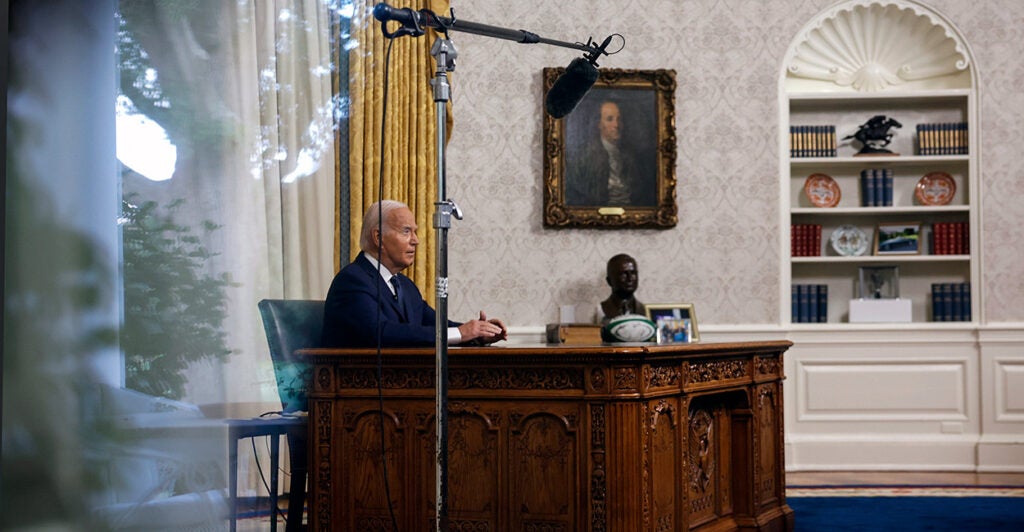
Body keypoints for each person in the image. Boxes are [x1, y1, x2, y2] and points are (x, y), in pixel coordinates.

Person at [321, 200, 508, 348]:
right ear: (378, 238)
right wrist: (461, 333)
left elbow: (434, 325)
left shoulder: (405, 285)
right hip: (357, 389)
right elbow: (380, 333)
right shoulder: (352, 281)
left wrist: (478, 333)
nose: (416, 241)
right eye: (406, 231)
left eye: (415, 232)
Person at [566, 99, 656, 207]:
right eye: (610, 119)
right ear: (599, 124)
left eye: (619, 119)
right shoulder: (585, 157)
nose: (616, 125)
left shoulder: (631, 156)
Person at [600, 253, 646, 324]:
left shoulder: (644, 309)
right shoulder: (601, 310)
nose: (630, 278)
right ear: (609, 281)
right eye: (623, 274)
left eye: (633, 273)